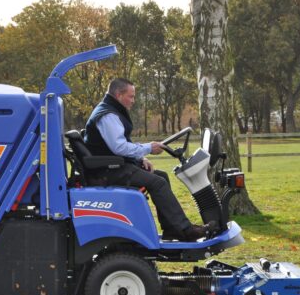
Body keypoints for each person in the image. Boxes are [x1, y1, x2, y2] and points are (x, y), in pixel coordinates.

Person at [84, 77, 214, 241]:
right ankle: (185, 230)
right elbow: (119, 147)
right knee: (157, 182)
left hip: (112, 166)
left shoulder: (110, 110)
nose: (133, 101)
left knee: (161, 177)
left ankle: (172, 230)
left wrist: (140, 158)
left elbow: (119, 144)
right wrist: (148, 148)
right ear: (118, 94)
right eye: (131, 96)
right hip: (107, 171)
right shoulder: (108, 115)